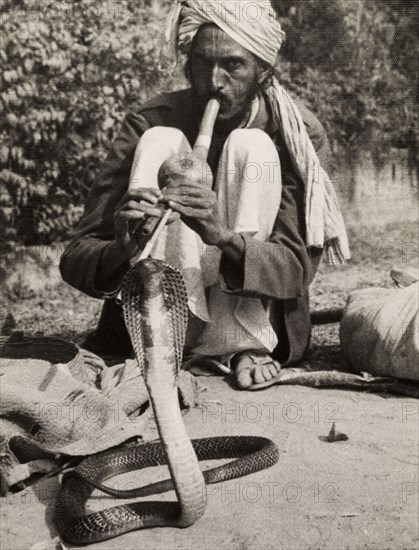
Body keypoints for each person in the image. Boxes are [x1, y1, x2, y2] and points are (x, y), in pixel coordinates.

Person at [60, 0, 349, 390]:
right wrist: (121, 247)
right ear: (187, 63)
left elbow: (296, 270)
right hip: (159, 322)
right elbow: (76, 256)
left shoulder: (296, 135)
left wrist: (223, 236)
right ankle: (164, 334)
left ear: (263, 70)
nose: (214, 80)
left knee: (252, 147)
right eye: (201, 63)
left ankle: (243, 344)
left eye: (232, 65)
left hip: (253, 322)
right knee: (160, 142)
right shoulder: (151, 120)